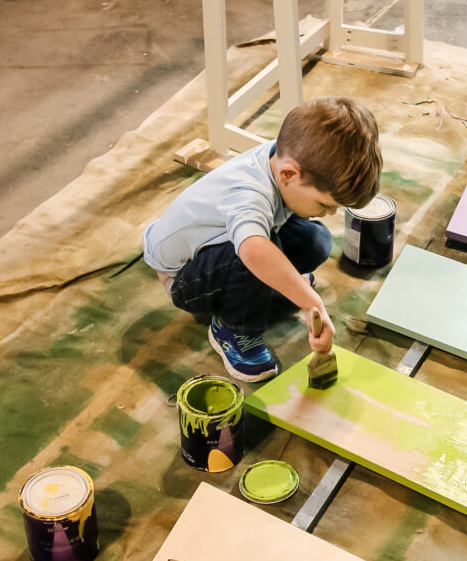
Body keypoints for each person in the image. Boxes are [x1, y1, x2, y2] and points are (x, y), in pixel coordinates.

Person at [143, 96, 383, 382]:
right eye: (323, 204)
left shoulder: (281, 157)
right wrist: (311, 304)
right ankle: (232, 330)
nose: (330, 213)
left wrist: (293, 283)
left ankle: (266, 285)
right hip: (183, 278)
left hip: (221, 244)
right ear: (289, 174)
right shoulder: (249, 196)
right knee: (252, 257)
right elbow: (255, 252)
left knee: (316, 239)